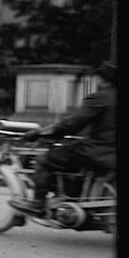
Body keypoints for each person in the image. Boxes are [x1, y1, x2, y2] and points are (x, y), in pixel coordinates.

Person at [9, 62, 117, 217]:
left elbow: (73, 123)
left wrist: (43, 133)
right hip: (111, 151)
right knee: (71, 150)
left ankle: (37, 204)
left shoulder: (100, 98)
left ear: (102, 79)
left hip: (100, 151)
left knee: (45, 159)